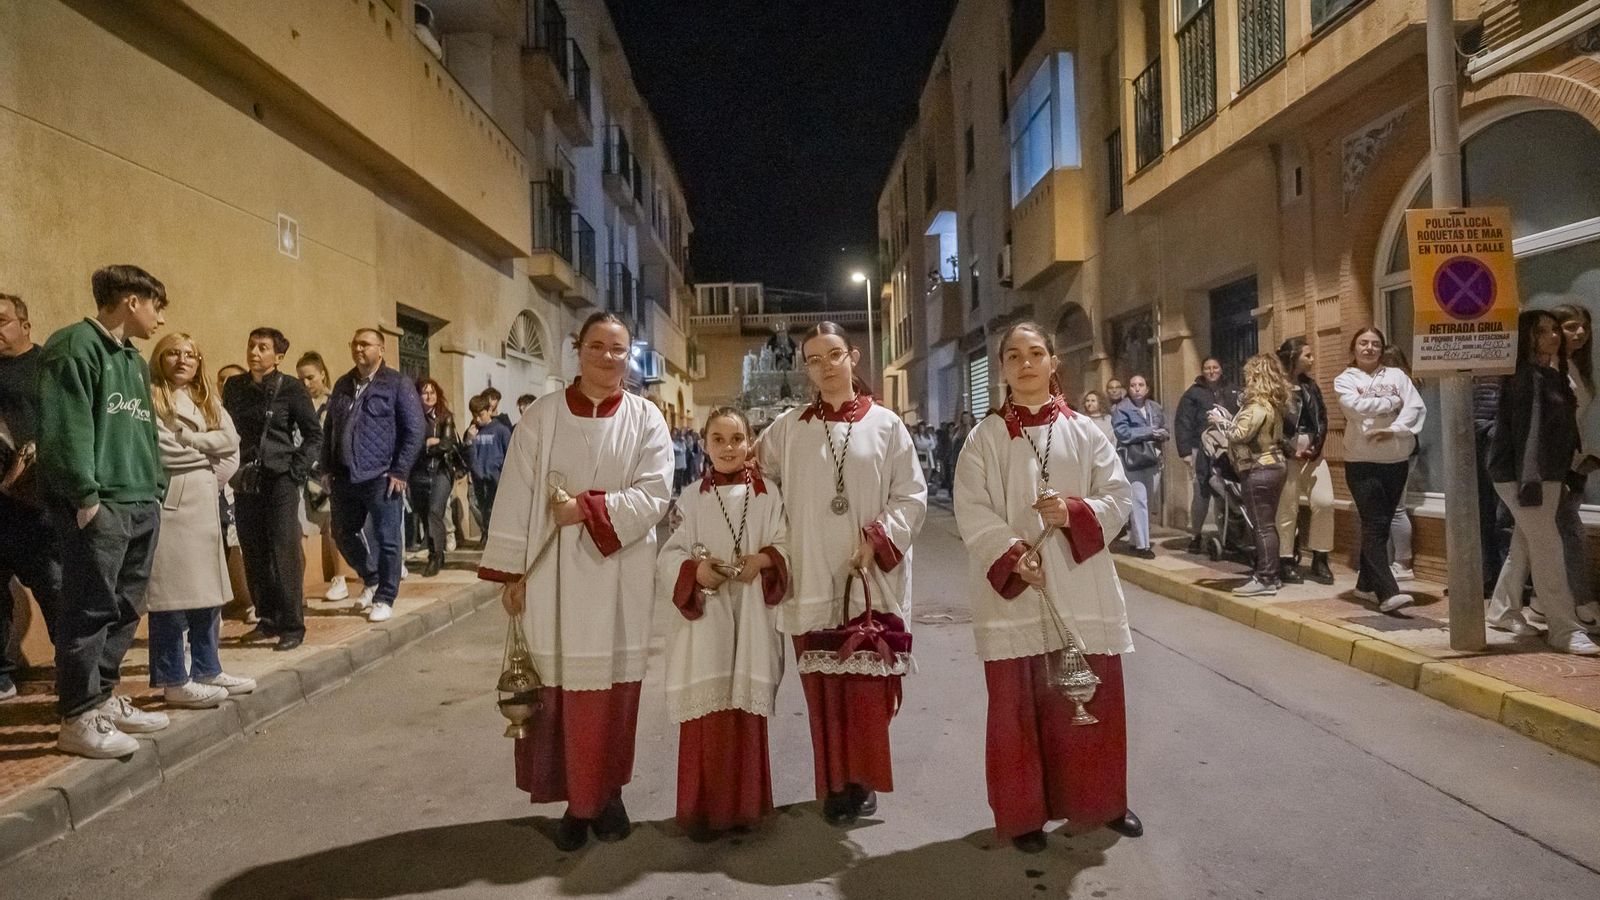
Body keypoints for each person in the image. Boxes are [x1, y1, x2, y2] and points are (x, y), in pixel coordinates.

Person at [478, 312, 673, 851]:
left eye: (618, 349)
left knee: (613, 693)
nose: (608, 357)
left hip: (618, 573)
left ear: (628, 355)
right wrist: (512, 575)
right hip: (552, 580)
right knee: (560, 696)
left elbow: (656, 493)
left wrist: (587, 509)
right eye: (597, 346)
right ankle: (574, 801)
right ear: (577, 349)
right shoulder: (540, 418)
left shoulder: (646, 418)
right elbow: (516, 498)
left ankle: (607, 794)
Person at [953, 321, 1142, 852]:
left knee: (1088, 701)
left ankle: (1103, 802)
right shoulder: (983, 439)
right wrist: (1013, 557)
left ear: (1053, 362)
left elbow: (1120, 497)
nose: (1027, 362)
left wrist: (1074, 511)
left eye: (1036, 353)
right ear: (1004, 369)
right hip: (1017, 592)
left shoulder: (1087, 431)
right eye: (1014, 355)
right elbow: (972, 510)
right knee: (1018, 709)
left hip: (1081, 587)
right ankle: (1024, 815)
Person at [756, 321, 927, 827]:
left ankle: (863, 780)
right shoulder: (787, 429)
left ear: (852, 357)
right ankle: (832, 784)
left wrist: (876, 540)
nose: (825, 367)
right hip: (810, 574)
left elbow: (911, 495)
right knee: (823, 694)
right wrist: (777, 534)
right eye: (813, 359)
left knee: (865, 693)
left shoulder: (887, 425)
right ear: (805, 368)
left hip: (867, 575)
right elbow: (753, 474)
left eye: (833, 355)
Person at [39, 265, 170, 758]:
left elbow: (143, 432)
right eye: (156, 304)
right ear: (131, 301)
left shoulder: (133, 361)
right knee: (89, 607)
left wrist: (156, 486)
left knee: (127, 604)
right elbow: (65, 427)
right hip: (102, 504)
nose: (159, 318)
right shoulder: (74, 346)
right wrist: (85, 495)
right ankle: (77, 715)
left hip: (140, 500)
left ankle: (105, 696)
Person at [658, 406, 789, 838]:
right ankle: (702, 811)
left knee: (744, 713)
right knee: (708, 716)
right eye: (719, 439)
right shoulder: (690, 498)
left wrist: (767, 559)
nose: (729, 448)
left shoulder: (770, 494)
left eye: (737, 439)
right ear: (704, 444)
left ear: (750, 442)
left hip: (751, 613)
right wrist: (694, 572)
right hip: (706, 621)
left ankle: (745, 809)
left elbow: (788, 543)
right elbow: (668, 555)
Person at [145, 333, 255, 707]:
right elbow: (165, 453)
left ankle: (208, 667)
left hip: (205, 507)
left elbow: (232, 440)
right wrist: (206, 448)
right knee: (171, 599)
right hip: (174, 506)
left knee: (208, 595)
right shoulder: (152, 396)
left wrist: (194, 442)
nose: (182, 360)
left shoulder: (206, 397)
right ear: (160, 358)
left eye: (190, 354)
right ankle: (173, 678)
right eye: (173, 353)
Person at [1486, 310, 1600, 655]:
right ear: (1527, 338)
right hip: (1523, 475)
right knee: (1548, 547)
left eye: (1554, 330)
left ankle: (1503, 609)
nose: (1554, 336)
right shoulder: (1526, 377)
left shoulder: (1550, 374)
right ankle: (1564, 628)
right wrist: (1531, 481)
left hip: (1543, 474)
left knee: (1527, 540)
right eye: (1544, 332)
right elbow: (1529, 433)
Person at [223, 327, 322, 652]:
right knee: (254, 551)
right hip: (246, 479)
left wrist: (295, 471)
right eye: (251, 345)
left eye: (262, 347)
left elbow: (313, 435)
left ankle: (293, 625)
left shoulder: (291, 388)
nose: (254, 352)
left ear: (278, 357)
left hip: (280, 479)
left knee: (284, 550)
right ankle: (268, 620)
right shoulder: (235, 387)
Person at [322, 328, 425, 624]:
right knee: (342, 532)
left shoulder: (396, 383)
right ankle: (372, 577)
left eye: (365, 344)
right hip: (345, 475)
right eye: (355, 344)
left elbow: (414, 430)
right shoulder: (344, 383)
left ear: (380, 349)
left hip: (382, 474)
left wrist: (400, 470)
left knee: (387, 538)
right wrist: (327, 467)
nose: (359, 349)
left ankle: (385, 596)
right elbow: (330, 428)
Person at [1333, 327, 1425, 613]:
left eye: (1375, 344)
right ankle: (1387, 592)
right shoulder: (1344, 379)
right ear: (1354, 349)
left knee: (1383, 524)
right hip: (1361, 462)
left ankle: (1364, 586)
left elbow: (1415, 407)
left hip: (1395, 460)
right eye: (1363, 343)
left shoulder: (1397, 376)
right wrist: (1390, 403)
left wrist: (1394, 429)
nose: (1370, 348)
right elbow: (1355, 407)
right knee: (1374, 523)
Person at [0, 293, 63, 702]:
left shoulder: (48, 367)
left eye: (2, 320)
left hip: (36, 502)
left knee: (55, 586)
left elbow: (68, 424)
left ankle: (75, 669)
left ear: (25, 325)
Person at [1214, 355, 1289, 596]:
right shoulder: (1272, 404)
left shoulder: (1257, 407)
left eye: (1248, 376)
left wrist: (1221, 421)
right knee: (1267, 524)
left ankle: (1265, 578)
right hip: (1274, 466)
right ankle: (1272, 574)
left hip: (1259, 469)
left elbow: (1238, 434)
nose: (1245, 380)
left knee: (1262, 526)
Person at [1275, 338, 1336, 585]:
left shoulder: (1311, 386)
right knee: (1287, 509)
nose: (1312, 360)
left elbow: (1322, 417)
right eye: (1307, 355)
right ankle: (1285, 559)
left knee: (1325, 501)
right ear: (1294, 357)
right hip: (1286, 455)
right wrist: (1288, 450)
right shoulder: (1277, 388)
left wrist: (1316, 446)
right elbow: (1272, 424)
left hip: (1313, 455)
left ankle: (1320, 558)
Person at [1174, 358, 1240, 555]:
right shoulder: (1192, 394)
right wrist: (1185, 452)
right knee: (1201, 494)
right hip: (1199, 448)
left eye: (1215, 367)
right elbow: (1183, 422)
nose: (1211, 371)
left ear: (1221, 369)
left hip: (1227, 449)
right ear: (1202, 371)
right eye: (1207, 368)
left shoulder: (1232, 390)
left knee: (1224, 494)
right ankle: (1196, 534)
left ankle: (1226, 535)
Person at [296, 351, 348, 602]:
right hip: (302, 475)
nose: (305, 384)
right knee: (301, 531)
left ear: (322, 374)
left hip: (326, 475)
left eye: (310, 378)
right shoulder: (299, 403)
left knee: (332, 527)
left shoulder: (334, 403)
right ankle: (299, 586)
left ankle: (340, 579)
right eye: (301, 379)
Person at [1111, 375, 1168, 559]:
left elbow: (1165, 429)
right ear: (1128, 389)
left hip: (1154, 458)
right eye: (1133, 385)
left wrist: (1162, 434)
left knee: (1148, 500)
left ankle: (1135, 540)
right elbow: (1123, 433)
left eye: (1141, 385)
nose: (1137, 388)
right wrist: (1149, 431)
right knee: (1139, 500)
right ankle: (1143, 546)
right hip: (1132, 460)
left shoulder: (1155, 408)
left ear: (1147, 389)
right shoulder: (1121, 409)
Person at [410, 378, 458, 578]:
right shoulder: (412, 417)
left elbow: (447, 444)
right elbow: (408, 445)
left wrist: (428, 446)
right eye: (424, 392)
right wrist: (427, 444)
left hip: (442, 470)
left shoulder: (444, 416)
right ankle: (437, 549)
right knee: (423, 514)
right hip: (418, 472)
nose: (429, 396)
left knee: (434, 511)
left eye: (432, 393)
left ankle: (435, 556)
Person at [464, 393, 511, 531]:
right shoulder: (472, 431)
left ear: (490, 411)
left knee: (494, 508)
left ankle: (492, 534)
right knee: (478, 505)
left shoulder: (501, 430)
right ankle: (486, 531)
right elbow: (467, 456)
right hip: (478, 477)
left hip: (496, 478)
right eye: (474, 415)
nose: (478, 419)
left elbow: (508, 454)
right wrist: (469, 441)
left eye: (481, 414)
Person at [672, 428, 689, 494]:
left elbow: (683, 450)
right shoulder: (674, 442)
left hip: (680, 463)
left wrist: (677, 449)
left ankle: (678, 491)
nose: (674, 435)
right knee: (677, 477)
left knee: (679, 478)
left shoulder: (681, 441)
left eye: (675, 434)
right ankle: (677, 490)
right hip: (676, 463)